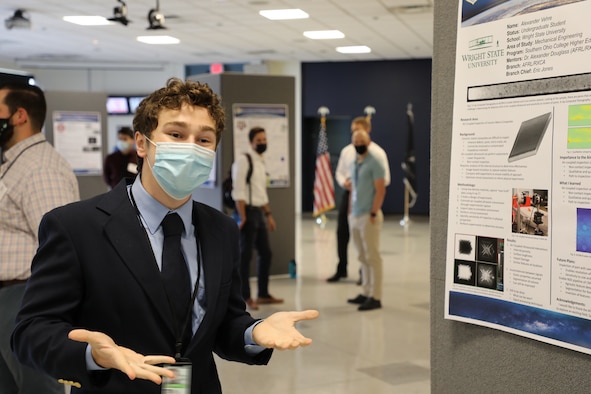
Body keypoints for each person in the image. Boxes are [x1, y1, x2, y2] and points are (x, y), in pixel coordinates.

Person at [11, 78, 318, 394]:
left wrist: (253, 332)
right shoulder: (76, 227)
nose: (190, 147)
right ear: (142, 143)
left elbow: (224, 323)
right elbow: (31, 332)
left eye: (204, 140)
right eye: (176, 134)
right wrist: (93, 356)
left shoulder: (221, 230)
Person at [0, 82, 79, 394]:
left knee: (37, 387)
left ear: (19, 116)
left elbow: (60, 247)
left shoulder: (41, 168)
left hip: (24, 298)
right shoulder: (16, 163)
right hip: (9, 298)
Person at [327, 116, 390, 283]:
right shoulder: (347, 151)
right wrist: (345, 182)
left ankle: (366, 276)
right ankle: (342, 268)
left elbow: (384, 181)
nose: (355, 134)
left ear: (367, 130)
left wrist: (373, 209)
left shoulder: (377, 154)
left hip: (367, 197)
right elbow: (340, 172)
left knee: (367, 242)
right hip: (349, 197)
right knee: (343, 233)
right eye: (352, 131)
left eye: (358, 130)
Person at [231, 126, 283, 311]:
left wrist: (269, 215)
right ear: (251, 142)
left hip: (259, 213)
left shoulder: (260, 161)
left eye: (264, 139)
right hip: (247, 214)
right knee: (244, 258)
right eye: (258, 140)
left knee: (266, 253)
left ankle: (263, 294)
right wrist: (242, 216)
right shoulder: (244, 161)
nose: (262, 143)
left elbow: (261, 192)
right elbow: (238, 191)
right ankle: (245, 297)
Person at [346, 130, 386, 311]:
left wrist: (373, 212)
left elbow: (380, 190)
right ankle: (365, 291)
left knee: (372, 257)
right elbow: (353, 188)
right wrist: (349, 211)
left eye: (361, 141)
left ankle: (375, 296)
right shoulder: (355, 162)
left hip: (368, 216)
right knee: (362, 256)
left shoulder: (375, 163)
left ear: (368, 142)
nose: (358, 144)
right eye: (356, 141)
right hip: (354, 215)